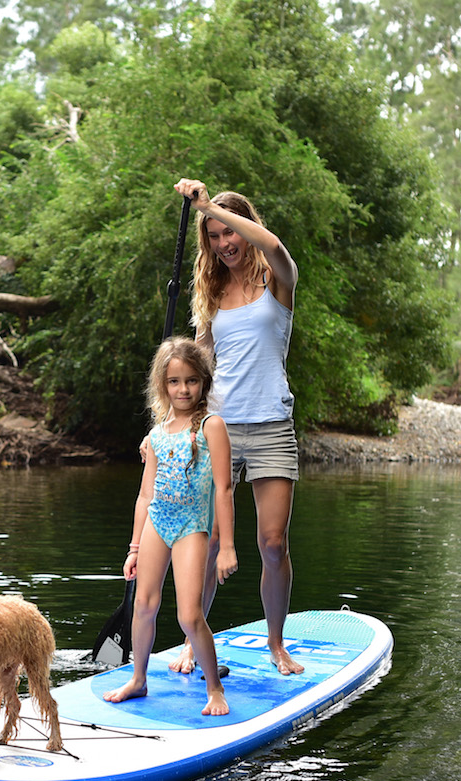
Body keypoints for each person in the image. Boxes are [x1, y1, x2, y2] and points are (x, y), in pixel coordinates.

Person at [167, 176, 305, 676]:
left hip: (271, 425)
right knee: (202, 546)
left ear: (243, 229)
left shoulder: (278, 281)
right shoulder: (212, 293)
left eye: (228, 232)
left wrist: (210, 206)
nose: (223, 243)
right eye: (212, 236)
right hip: (219, 428)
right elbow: (201, 363)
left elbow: (276, 246)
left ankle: (276, 643)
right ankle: (191, 639)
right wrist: (176, 419)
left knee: (272, 544)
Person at [104, 338, 237, 716]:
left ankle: (214, 688)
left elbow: (224, 489)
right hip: (157, 523)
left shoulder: (212, 426)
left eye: (191, 381)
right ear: (163, 385)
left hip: (192, 527)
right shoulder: (157, 434)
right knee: (144, 605)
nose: (183, 389)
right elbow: (145, 496)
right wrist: (134, 548)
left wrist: (225, 546)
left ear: (204, 383)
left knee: (188, 615)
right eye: (175, 381)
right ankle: (138, 678)